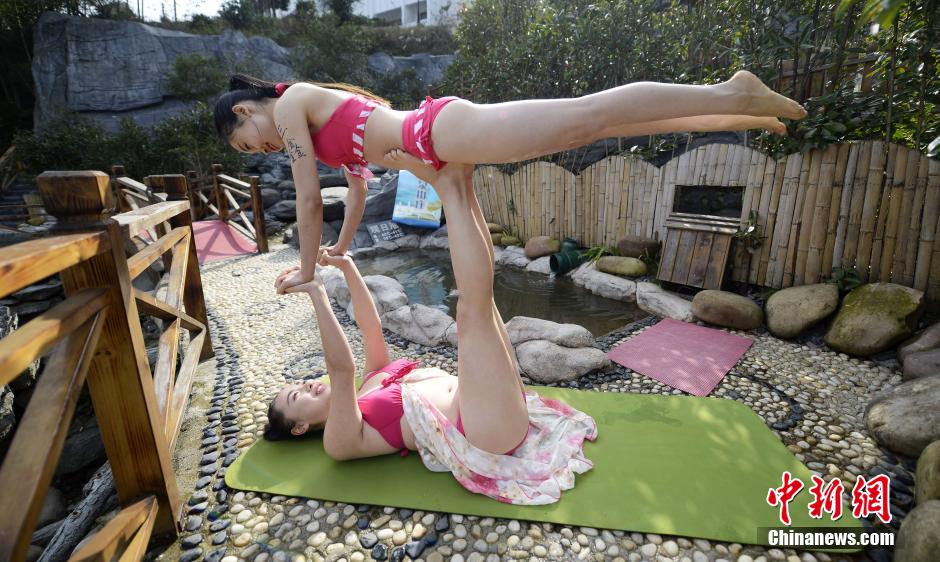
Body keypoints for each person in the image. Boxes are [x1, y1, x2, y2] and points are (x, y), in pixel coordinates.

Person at [214, 72, 806, 293]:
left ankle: (727, 92)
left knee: (589, 113)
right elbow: (357, 191)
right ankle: (739, 112)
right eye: (252, 153)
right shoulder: (317, 132)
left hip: (442, 130)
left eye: (249, 141)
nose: (261, 149)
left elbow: (310, 197)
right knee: (589, 126)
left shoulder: (290, 104)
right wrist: (340, 251)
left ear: (246, 110)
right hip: (441, 138)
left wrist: (309, 269)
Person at [265, 162, 598, 504]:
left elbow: (370, 326)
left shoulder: (369, 383)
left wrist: (347, 266)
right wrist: (316, 293)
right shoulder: (341, 441)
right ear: (299, 427)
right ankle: (449, 182)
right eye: (296, 396)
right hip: (481, 431)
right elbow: (340, 367)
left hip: (492, 405)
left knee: (481, 300)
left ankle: (461, 180)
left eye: (298, 384)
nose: (305, 384)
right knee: (471, 307)